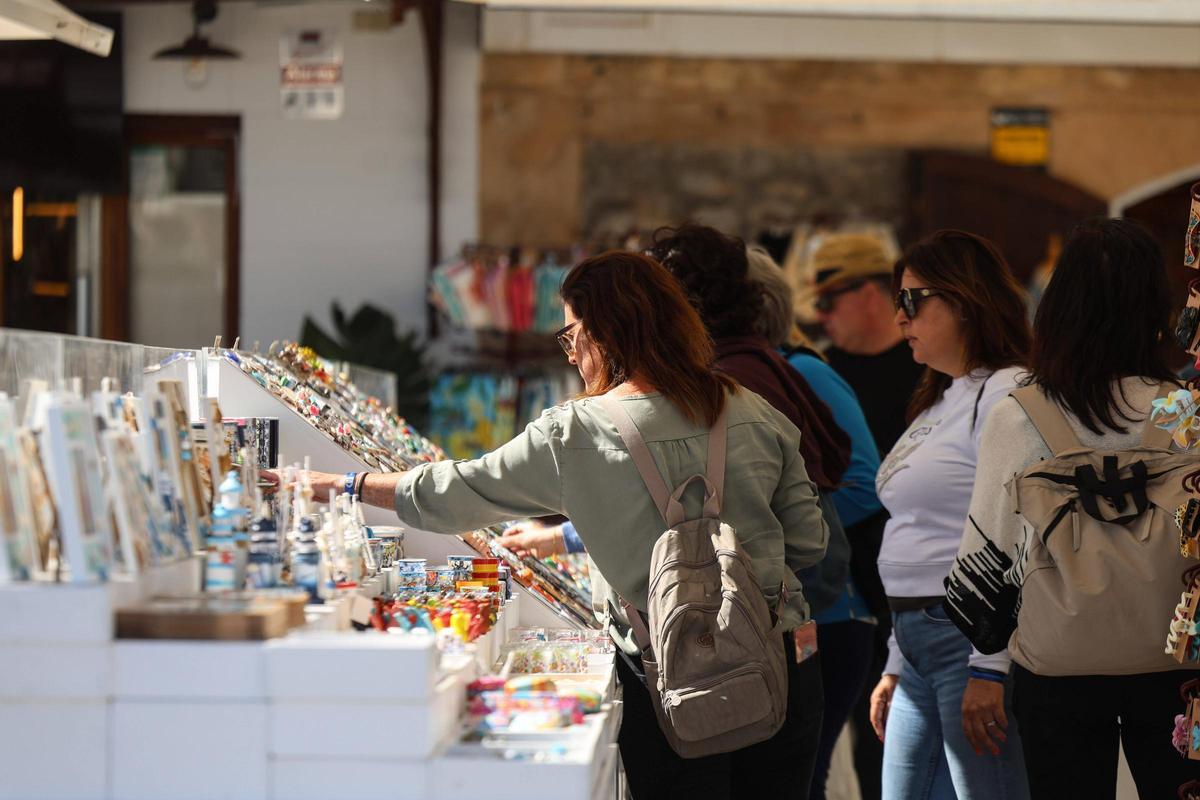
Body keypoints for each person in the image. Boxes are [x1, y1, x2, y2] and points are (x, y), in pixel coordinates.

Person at [286, 250, 830, 800]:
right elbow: (810, 541)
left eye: (571, 336)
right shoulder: (754, 410)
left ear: (605, 334)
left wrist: (345, 485)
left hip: (668, 677)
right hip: (781, 663)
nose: (570, 357)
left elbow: (454, 494)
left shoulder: (574, 435)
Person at [943, 218, 1196, 798]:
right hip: (1175, 664)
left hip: (1056, 664)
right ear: (1157, 308)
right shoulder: (1187, 411)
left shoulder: (1021, 414)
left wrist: (986, 664)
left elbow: (988, 554)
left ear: (1057, 308)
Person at [867, 230, 1032, 800]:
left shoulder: (1008, 389)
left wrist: (990, 663)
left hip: (965, 637)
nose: (899, 318)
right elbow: (919, 530)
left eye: (912, 300)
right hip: (917, 637)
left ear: (963, 299)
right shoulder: (942, 395)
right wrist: (894, 657)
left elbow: (1012, 528)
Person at [647, 224, 853, 619]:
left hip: (782, 617)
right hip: (788, 608)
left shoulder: (733, 381)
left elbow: (792, 528)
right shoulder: (748, 366)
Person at [747, 245, 885, 800]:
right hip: (804, 608)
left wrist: (777, 534)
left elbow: (863, 482)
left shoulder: (801, 371)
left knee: (802, 777)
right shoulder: (772, 370)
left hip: (833, 608)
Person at [812, 233, 925, 457]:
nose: (819, 315)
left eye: (827, 302)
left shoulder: (929, 363)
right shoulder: (820, 369)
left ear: (868, 295)